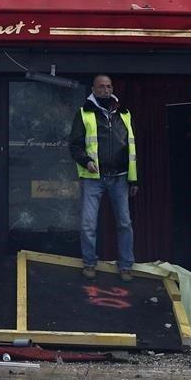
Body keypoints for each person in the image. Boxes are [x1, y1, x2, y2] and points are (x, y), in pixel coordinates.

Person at [69, 74, 139, 282]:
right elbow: (74, 145)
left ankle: (126, 265)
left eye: (109, 86)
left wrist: (134, 180)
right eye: (101, 87)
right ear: (93, 89)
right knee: (88, 224)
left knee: (125, 223)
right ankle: (89, 263)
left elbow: (133, 148)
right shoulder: (84, 113)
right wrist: (86, 161)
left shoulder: (124, 114)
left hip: (120, 177)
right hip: (94, 176)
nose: (106, 90)